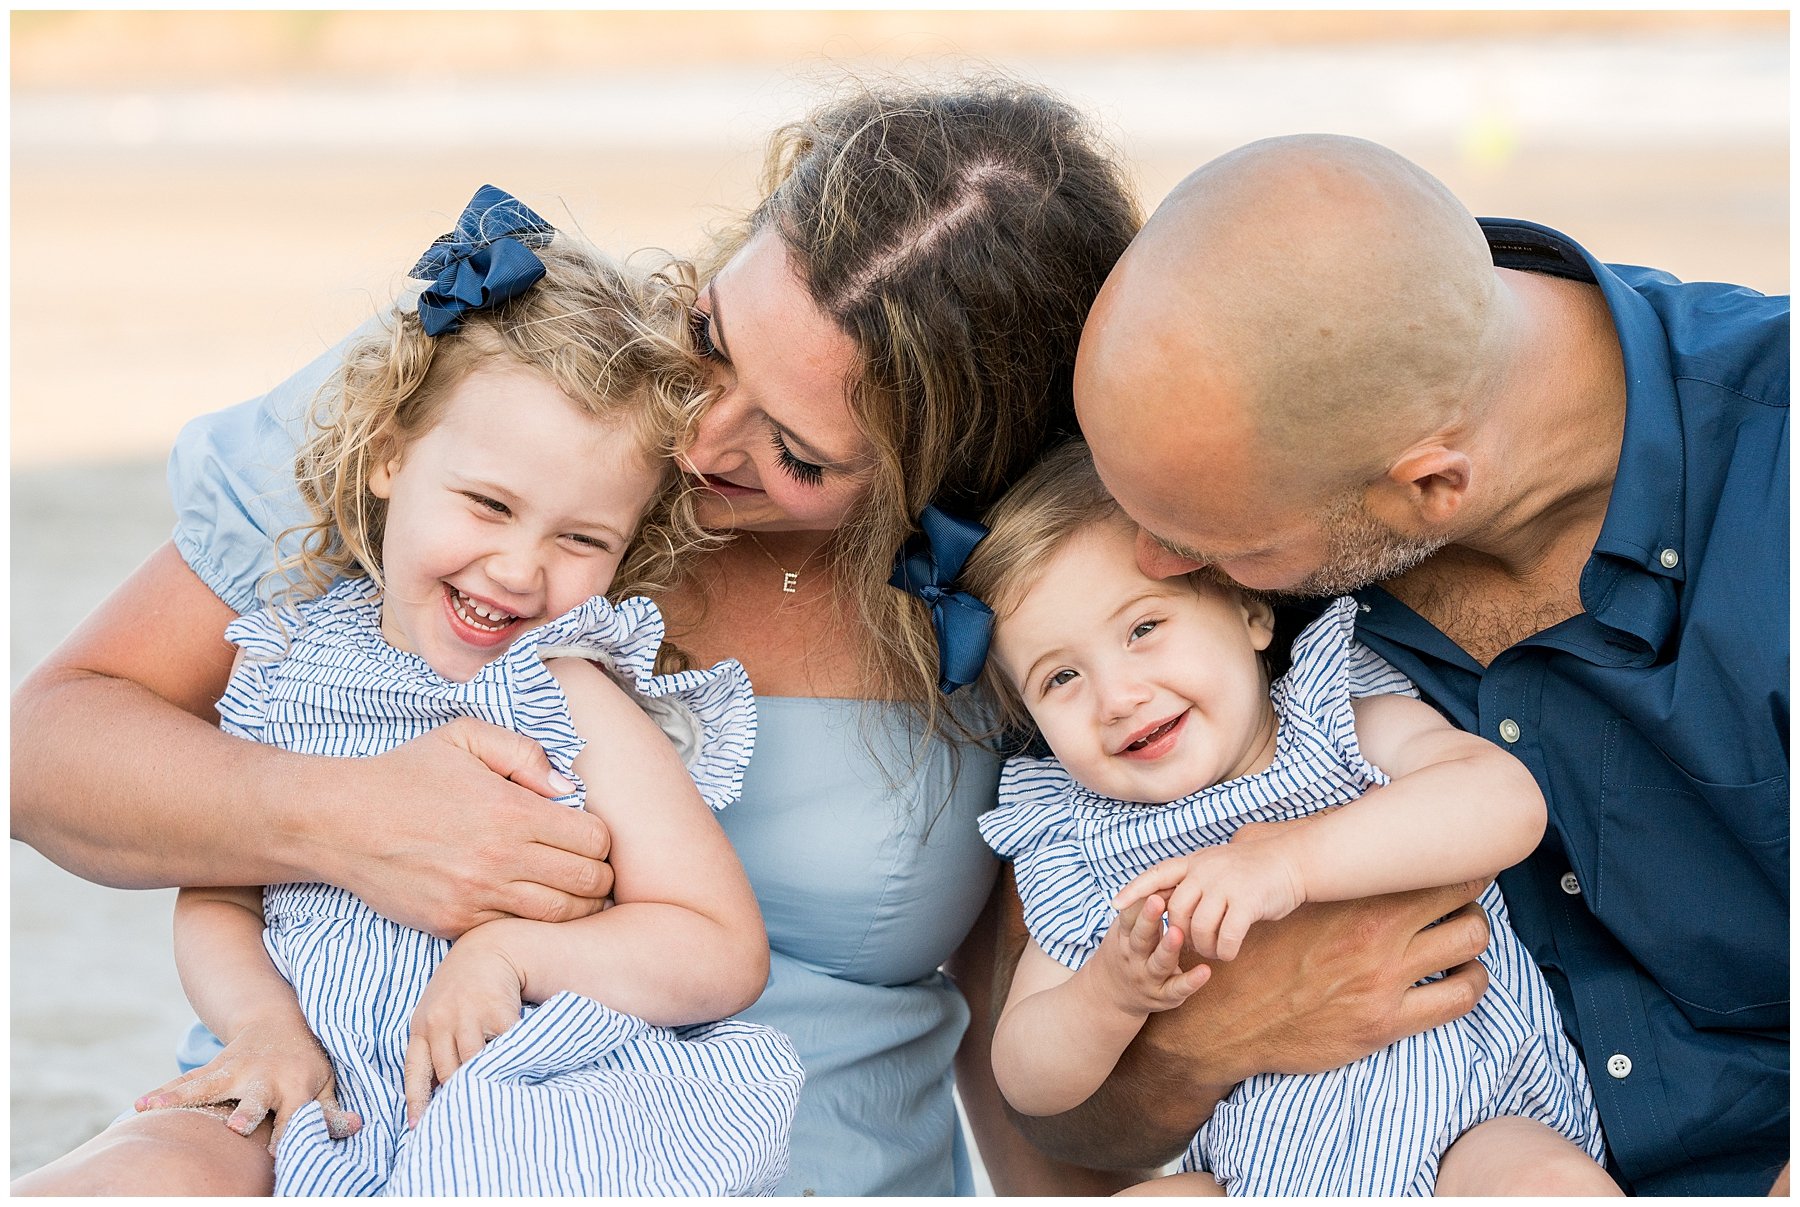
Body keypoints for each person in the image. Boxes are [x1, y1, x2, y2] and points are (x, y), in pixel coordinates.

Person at [12, 78, 1181, 1196]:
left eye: (800, 454)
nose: (703, 438)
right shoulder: (497, 397)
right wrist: (347, 821)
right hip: (324, 1113)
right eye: (714, 333)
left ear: (944, 470)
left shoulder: (1026, 598)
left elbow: (1027, 1035)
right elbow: (50, 751)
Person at [17, 188, 807, 1195]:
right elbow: (218, 888)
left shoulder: (572, 695)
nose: (520, 569)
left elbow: (719, 946)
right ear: (388, 453)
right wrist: (263, 1024)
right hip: (317, 1082)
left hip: (522, 1094)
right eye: (488, 504)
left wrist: (512, 958)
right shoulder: (286, 660)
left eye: (580, 540)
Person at [1068, 133, 1788, 1195]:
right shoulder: (1240, 526)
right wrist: (1216, 1038)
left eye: (1222, 544)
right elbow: (1075, 1127)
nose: (1155, 571)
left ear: (1432, 489)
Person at [957, 441, 1614, 1195]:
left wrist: (1292, 861)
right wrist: (1109, 992)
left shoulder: (1336, 724)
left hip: (1477, 1122)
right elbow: (1026, 1076)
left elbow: (1505, 803)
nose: (1117, 696)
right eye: (1061, 677)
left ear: (1250, 611)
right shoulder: (1088, 853)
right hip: (1259, 1173)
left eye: (1143, 629)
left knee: (1539, 1182)